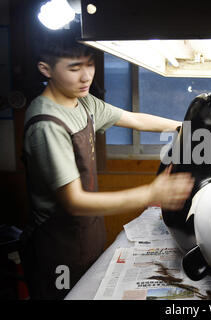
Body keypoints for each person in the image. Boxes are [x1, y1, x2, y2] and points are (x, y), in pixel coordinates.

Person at [21, 34, 194, 299]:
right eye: (74, 68)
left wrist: (187, 127)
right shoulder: (47, 123)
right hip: (58, 246)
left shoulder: (83, 101)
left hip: (88, 234)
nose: (86, 76)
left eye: (89, 65)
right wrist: (151, 194)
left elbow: (134, 119)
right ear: (46, 69)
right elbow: (74, 201)